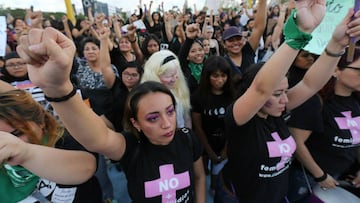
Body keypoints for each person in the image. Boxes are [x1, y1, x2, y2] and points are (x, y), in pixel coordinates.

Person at [17, 27, 206, 203]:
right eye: (153, 118)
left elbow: (198, 177)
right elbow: (100, 137)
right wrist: (57, 87)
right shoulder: (131, 146)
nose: (167, 124)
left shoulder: (187, 138)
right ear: (136, 123)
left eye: (170, 111)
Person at [211, 1, 360, 202]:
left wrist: (337, 44)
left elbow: (310, 85)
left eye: (285, 91)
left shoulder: (279, 110)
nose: (286, 99)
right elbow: (261, 89)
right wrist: (300, 32)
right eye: (277, 93)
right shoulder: (239, 119)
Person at [0, 80, 102, 202]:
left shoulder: (63, 138)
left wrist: (24, 152)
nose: (9, 141)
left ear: (41, 122)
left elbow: (87, 168)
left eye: (18, 133)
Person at [288, 46, 360, 203]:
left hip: (340, 177)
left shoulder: (357, 102)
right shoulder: (315, 102)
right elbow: (296, 143)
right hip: (306, 178)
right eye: (358, 70)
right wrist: (320, 175)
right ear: (336, 70)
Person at [191, 55, 235, 192]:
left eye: (223, 75)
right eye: (215, 76)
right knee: (202, 173)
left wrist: (226, 150)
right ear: (207, 76)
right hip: (205, 143)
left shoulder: (233, 96)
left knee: (221, 178)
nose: (219, 80)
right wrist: (209, 151)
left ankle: (215, 187)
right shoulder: (198, 96)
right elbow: (198, 127)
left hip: (227, 143)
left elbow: (235, 125)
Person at [141, 50, 192, 129]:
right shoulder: (146, 101)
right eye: (169, 76)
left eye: (176, 73)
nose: (174, 78)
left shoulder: (178, 90)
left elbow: (186, 118)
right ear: (154, 76)